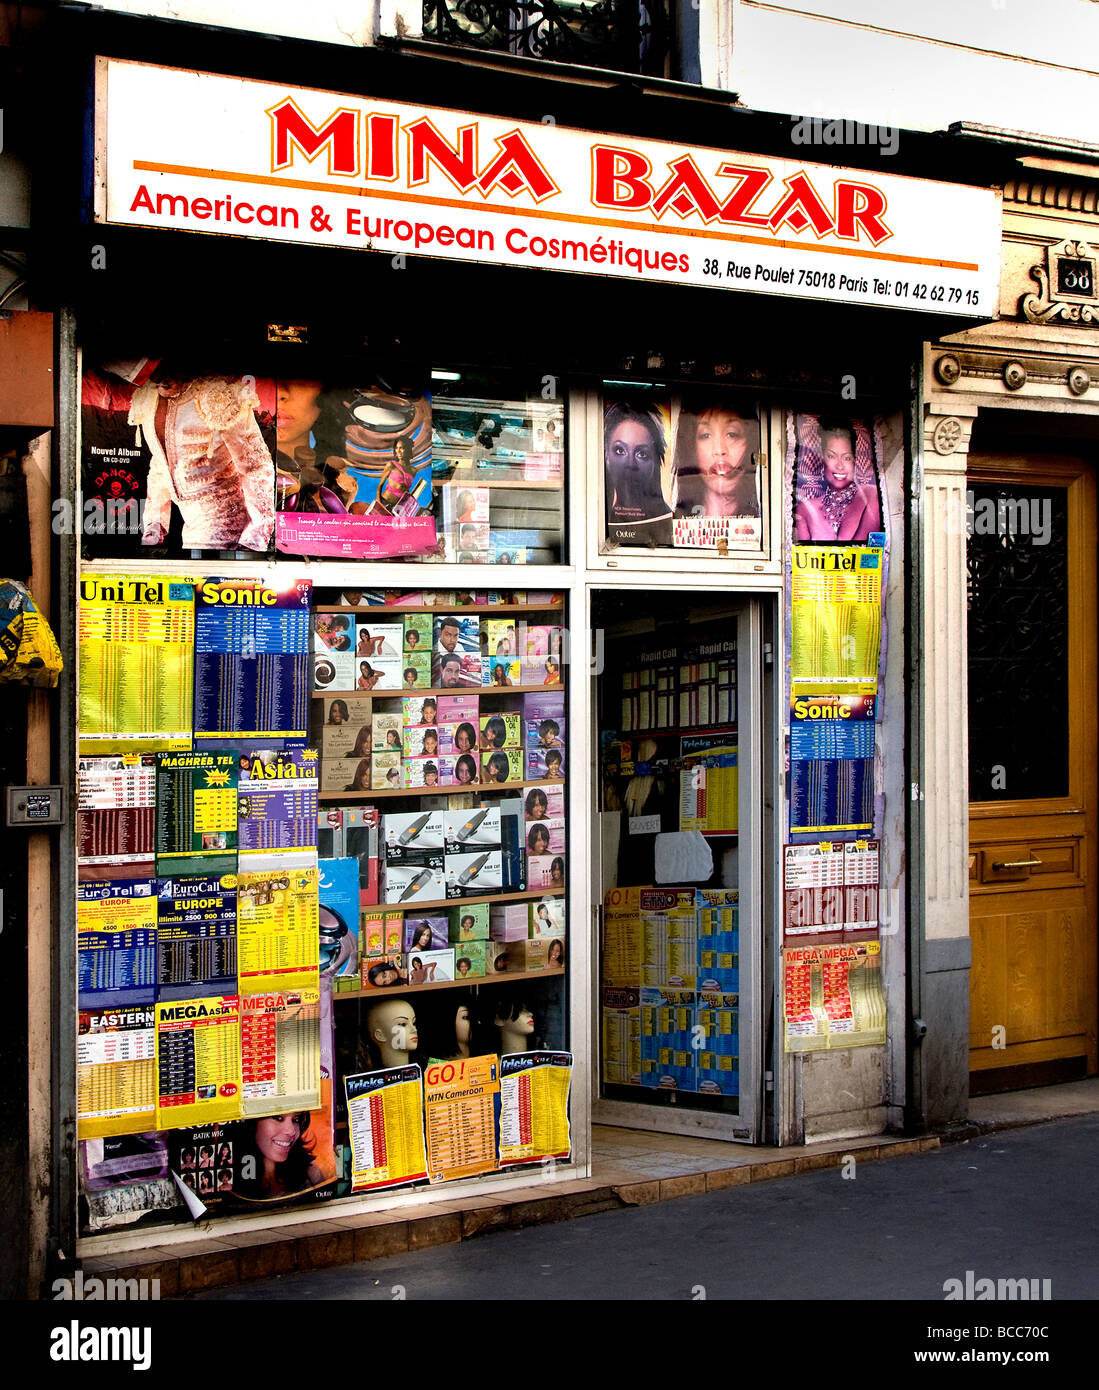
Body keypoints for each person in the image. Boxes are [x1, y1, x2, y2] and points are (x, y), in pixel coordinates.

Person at [132, 373, 276, 551]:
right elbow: (160, 463)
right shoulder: (147, 396)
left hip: (228, 530)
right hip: (190, 529)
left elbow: (257, 466)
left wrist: (255, 537)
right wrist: (154, 521)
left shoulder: (219, 394)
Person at [795, 423, 881, 542]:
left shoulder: (872, 495)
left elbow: (866, 556)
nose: (840, 466)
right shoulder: (805, 509)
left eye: (847, 458)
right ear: (822, 459)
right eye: (831, 456)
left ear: (854, 462)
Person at [672, 403, 760, 520]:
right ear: (692, 447)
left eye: (732, 434)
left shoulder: (765, 517)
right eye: (706, 435)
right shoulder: (676, 517)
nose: (719, 450)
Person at [604, 401, 671, 535]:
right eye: (619, 450)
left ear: (656, 462)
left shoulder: (668, 526)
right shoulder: (598, 522)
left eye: (642, 454)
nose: (630, 464)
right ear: (606, 456)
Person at [233, 1112, 333, 1200]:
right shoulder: (229, 1176)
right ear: (251, 1121)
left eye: (296, 1120)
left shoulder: (307, 1168)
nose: (291, 1131)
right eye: (278, 1118)